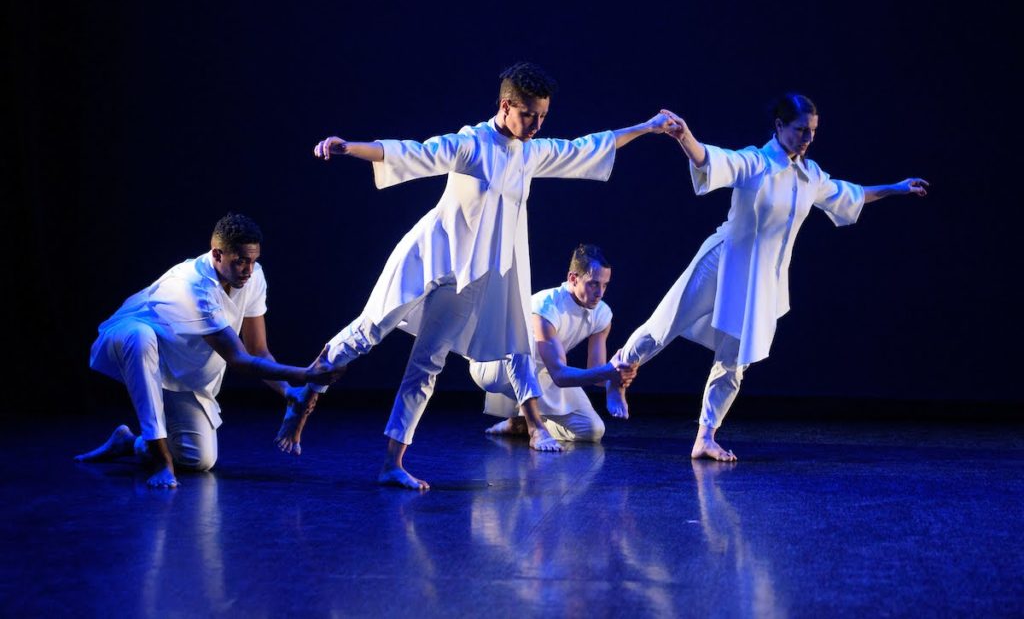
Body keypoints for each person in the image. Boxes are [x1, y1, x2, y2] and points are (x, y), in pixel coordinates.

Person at [299, 62, 677, 489]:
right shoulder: (471, 143)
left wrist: (647, 127)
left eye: (543, 117)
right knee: (369, 330)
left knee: (427, 364)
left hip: (471, 279)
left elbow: (589, 146)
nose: (536, 125)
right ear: (505, 105)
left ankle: (392, 463)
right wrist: (350, 147)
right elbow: (413, 152)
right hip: (430, 258)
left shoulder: (530, 153)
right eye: (529, 114)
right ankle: (307, 386)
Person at [612, 95, 928, 461]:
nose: (807, 138)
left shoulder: (811, 177)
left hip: (761, 283)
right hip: (724, 261)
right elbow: (713, 160)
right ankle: (617, 371)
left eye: (812, 131)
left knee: (734, 361)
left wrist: (896, 188)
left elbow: (850, 194)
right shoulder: (756, 162)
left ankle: (705, 437)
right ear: (779, 127)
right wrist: (685, 137)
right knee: (664, 324)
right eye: (800, 130)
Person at [75, 213, 345, 488]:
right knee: (141, 337)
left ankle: (130, 442)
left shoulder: (254, 277)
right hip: (131, 339)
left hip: (180, 366)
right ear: (217, 254)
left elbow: (258, 350)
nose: (248, 270)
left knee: (199, 460)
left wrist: (288, 392)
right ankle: (160, 461)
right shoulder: (193, 285)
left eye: (253, 260)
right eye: (240, 261)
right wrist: (306, 374)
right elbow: (239, 359)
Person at [470, 244, 636, 442]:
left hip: (542, 373)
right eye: (593, 284)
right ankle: (535, 429)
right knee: (522, 345)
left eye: (605, 285)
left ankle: (520, 424)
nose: (600, 293)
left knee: (592, 430)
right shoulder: (546, 307)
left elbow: (597, 374)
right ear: (573, 279)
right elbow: (559, 374)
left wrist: (618, 377)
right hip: (495, 365)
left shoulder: (602, 314)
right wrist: (607, 371)